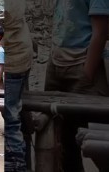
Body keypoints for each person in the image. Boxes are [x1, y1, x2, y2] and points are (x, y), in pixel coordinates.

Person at [46, 0, 109, 171]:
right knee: (64, 139)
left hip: (81, 65)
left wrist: (87, 72)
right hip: (57, 64)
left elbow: (102, 32)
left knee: (94, 137)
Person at [5, 0, 33, 171]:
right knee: (17, 115)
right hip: (20, 54)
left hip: (14, 60)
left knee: (11, 121)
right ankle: (23, 163)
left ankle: (17, 165)